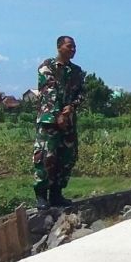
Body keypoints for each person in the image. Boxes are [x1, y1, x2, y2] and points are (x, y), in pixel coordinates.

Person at [33, 35, 86, 209]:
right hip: (49, 121)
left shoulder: (77, 71)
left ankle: (57, 194)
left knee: (66, 157)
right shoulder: (47, 66)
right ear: (59, 47)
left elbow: (81, 93)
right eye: (69, 46)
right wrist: (58, 115)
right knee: (46, 157)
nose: (73, 50)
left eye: (74, 47)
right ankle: (41, 196)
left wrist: (71, 106)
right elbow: (49, 93)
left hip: (68, 122)